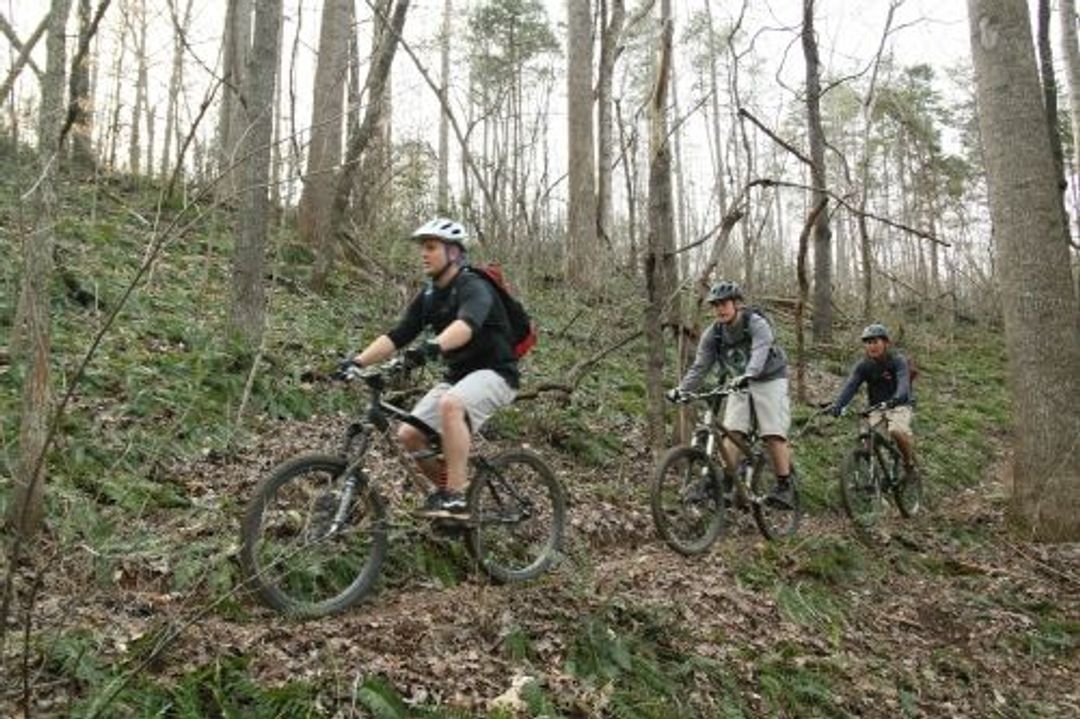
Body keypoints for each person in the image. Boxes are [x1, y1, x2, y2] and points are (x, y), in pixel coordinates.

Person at [350, 218, 519, 519]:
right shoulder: (429, 296)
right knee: (409, 435)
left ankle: (456, 495)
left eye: (431, 247)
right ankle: (448, 493)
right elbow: (398, 334)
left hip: (496, 373)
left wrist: (431, 346)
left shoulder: (474, 285)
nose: (423, 254)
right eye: (422, 248)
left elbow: (466, 326)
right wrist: (357, 361)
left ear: (453, 253)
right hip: (459, 376)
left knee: (451, 404)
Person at [667, 281, 795, 506]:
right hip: (739, 382)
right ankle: (726, 483)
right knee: (733, 431)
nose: (720, 309)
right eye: (715, 305)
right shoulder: (713, 334)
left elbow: (760, 351)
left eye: (724, 303)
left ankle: (785, 486)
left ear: (736, 303)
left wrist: (749, 374)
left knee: (772, 433)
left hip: (769, 377)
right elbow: (700, 367)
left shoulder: (755, 323)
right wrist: (682, 390)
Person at [828, 323, 918, 481]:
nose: (872, 346)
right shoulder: (864, 366)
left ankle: (908, 463)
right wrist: (838, 405)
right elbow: (851, 386)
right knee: (867, 437)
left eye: (875, 342)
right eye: (868, 343)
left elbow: (904, 383)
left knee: (896, 430)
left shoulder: (897, 360)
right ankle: (873, 476)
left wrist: (896, 399)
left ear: (885, 343)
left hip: (900, 404)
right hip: (876, 407)